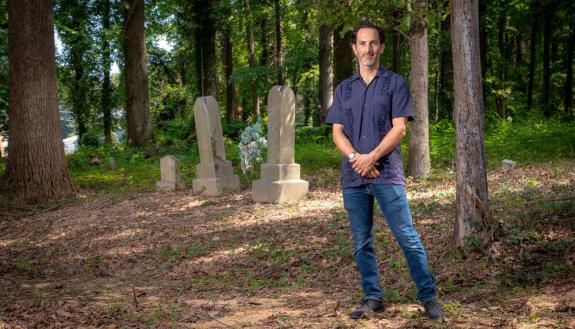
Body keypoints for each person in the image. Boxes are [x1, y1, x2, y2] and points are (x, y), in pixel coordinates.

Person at [325, 23, 444, 320]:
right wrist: (357, 158)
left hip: (386, 174)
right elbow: (337, 132)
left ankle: (428, 297)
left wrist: (373, 157)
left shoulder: (395, 84)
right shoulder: (344, 88)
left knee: (406, 236)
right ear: (354, 48)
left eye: (373, 43)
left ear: (381, 47)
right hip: (353, 176)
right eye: (362, 43)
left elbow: (399, 128)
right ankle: (373, 297)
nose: (368, 49)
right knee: (362, 241)